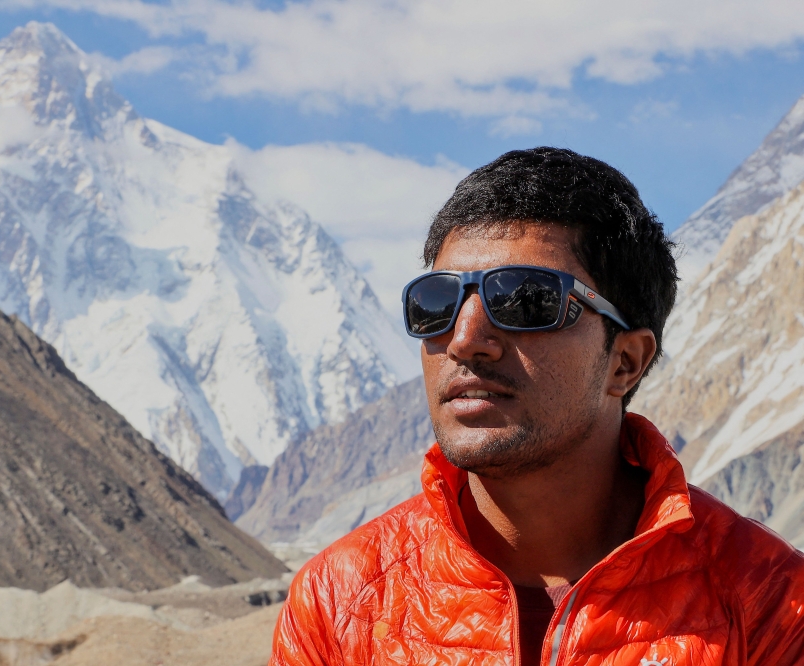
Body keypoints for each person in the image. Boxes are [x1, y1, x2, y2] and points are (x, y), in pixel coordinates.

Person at [270, 147, 804, 666]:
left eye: (526, 299)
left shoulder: (770, 607)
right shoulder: (339, 605)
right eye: (437, 302)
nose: (464, 339)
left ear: (625, 361)